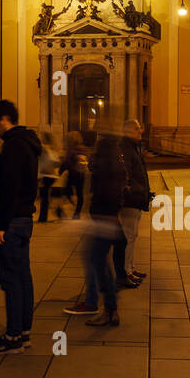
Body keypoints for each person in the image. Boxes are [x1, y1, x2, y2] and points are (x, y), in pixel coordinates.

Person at [0, 99, 40, 355]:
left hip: (12, 223)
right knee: (23, 278)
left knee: (12, 280)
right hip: (23, 219)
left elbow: (9, 190)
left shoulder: (13, 148)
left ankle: (13, 336)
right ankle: (23, 332)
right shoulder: (26, 143)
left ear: (5, 119)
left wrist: (0, 225)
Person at [65, 134, 125, 326]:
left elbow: (102, 194)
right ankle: (106, 307)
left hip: (103, 220)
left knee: (97, 262)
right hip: (107, 219)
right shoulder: (116, 165)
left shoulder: (105, 167)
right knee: (97, 262)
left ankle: (108, 308)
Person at [116, 119, 151, 288]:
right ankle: (125, 271)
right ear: (128, 131)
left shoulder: (133, 147)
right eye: (137, 128)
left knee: (133, 236)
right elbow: (126, 173)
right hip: (131, 200)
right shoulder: (126, 148)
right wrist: (133, 191)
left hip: (137, 198)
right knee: (129, 236)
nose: (141, 131)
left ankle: (130, 268)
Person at [59, 131, 87, 219]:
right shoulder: (83, 148)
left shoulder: (71, 149)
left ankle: (65, 207)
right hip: (81, 174)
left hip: (73, 174)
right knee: (79, 194)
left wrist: (60, 171)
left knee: (67, 191)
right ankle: (77, 213)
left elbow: (67, 163)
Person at [36, 131, 59, 223]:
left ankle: (43, 217)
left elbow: (43, 163)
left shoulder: (43, 149)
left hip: (45, 175)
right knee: (45, 197)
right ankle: (43, 216)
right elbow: (56, 162)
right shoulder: (53, 148)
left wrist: (39, 175)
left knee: (44, 197)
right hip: (52, 175)